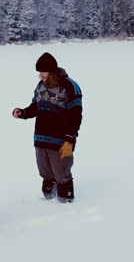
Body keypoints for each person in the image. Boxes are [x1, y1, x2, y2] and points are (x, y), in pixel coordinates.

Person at [12, 52, 82, 202]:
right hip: (41, 139)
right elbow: (35, 107)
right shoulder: (40, 86)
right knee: (45, 173)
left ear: (52, 71)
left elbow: (76, 116)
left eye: (42, 72)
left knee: (62, 173)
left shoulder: (69, 87)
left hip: (60, 141)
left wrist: (70, 138)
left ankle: (67, 204)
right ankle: (48, 203)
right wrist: (23, 113)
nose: (39, 76)